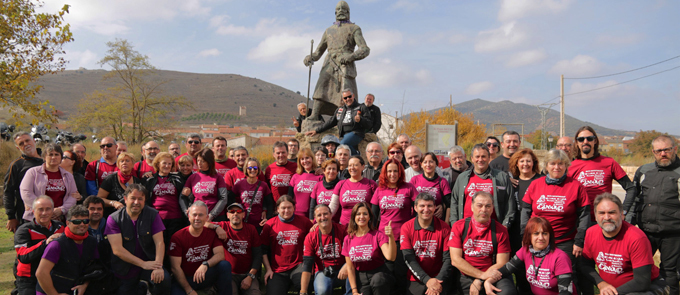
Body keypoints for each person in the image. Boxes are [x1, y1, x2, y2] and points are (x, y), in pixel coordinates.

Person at [520, 149, 591, 295]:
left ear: (566, 166)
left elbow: (584, 216)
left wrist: (579, 241)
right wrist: (525, 236)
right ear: (546, 166)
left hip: (564, 241)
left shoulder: (576, 186)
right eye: (552, 163)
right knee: (540, 277)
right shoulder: (535, 184)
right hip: (538, 240)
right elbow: (525, 211)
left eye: (561, 164)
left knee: (567, 280)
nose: (556, 167)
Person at [580, 193, 669, 295]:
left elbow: (642, 282)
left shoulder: (637, 238)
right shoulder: (591, 233)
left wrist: (611, 293)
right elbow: (585, 265)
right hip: (615, 289)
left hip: (648, 287)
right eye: (601, 213)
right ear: (595, 216)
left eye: (612, 212)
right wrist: (601, 284)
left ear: (622, 215)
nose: (607, 217)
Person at [625, 135, 680, 295]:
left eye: (667, 150)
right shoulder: (643, 170)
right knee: (638, 269)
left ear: (674, 149)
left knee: (670, 274)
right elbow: (635, 200)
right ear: (653, 152)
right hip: (645, 232)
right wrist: (628, 225)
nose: (663, 154)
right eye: (659, 151)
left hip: (674, 234)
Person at [302, 0, 370, 121]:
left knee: (346, 92)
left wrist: (350, 57)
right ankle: (315, 114)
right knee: (321, 87)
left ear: (348, 13)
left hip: (345, 65)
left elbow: (364, 49)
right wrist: (310, 57)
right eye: (338, 9)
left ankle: (347, 118)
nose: (341, 11)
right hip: (329, 64)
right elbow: (318, 52)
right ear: (334, 13)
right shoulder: (328, 31)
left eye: (343, 9)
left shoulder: (354, 28)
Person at [106, 184, 170, 294]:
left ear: (145, 200)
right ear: (125, 199)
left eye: (140, 199)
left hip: (149, 263)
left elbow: (159, 242)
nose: (136, 202)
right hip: (125, 269)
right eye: (133, 198)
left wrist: (158, 266)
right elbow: (117, 250)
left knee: (164, 280)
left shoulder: (152, 214)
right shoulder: (113, 219)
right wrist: (142, 264)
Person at [483, 216, 574, 295]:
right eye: (536, 233)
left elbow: (565, 292)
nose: (541, 238)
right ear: (529, 236)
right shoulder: (525, 251)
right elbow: (506, 269)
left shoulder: (560, 257)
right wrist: (488, 281)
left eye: (545, 233)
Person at [449, 191, 515, 295]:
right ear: (471, 207)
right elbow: (455, 260)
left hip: (493, 275)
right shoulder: (459, 227)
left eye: (488, 206)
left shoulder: (501, 230)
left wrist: (481, 279)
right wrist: (480, 275)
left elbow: (502, 262)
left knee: (507, 292)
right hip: (466, 275)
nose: (483, 210)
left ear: (492, 208)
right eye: (479, 205)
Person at [568, 126, 635, 225]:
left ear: (595, 141)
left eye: (589, 138)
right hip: (580, 221)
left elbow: (631, 188)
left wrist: (623, 211)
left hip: (605, 220)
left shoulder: (609, 162)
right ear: (577, 143)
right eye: (581, 139)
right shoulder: (570, 167)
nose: (585, 141)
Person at [371, 158, 418, 293]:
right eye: (389, 171)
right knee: (388, 272)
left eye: (395, 171)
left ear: (400, 172)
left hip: (404, 238)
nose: (392, 174)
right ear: (385, 173)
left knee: (402, 272)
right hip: (384, 239)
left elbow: (418, 211)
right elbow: (374, 216)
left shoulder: (409, 188)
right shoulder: (380, 190)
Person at [169, 202, 231, 295]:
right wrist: (189, 290)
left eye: (201, 215)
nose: (197, 218)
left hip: (205, 275)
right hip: (186, 279)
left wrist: (205, 264)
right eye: (194, 215)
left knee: (224, 265)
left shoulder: (211, 233)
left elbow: (220, 255)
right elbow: (175, 268)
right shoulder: (178, 237)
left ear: (206, 218)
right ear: (189, 217)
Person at [35, 205, 99, 295]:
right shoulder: (56, 245)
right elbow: (41, 273)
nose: (82, 224)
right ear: (68, 223)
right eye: (76, 221)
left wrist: (85, 285)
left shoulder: (91, 242)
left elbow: (93, 268)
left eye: (85, 221)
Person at [450, 144, 515, 229]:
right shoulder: (462, 178)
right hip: (467, 229)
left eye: (483, 156)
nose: (480, 160)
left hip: (493, 230)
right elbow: (454, 203)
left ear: (489, 158)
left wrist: (505, 225)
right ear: (472, 159)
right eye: (477, 156)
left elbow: (510, 203)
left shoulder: (501, 177)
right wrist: (455, 225)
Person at [400, 193, 452, 295]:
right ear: (415, 208)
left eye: (429, 206)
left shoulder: (445, 228)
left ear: (435, 207)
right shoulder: (406, 227)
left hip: (439, 278)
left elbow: (448, 258)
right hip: (416, 278)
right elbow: (409, 258)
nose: (426, 209)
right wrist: (427, 280)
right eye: (422, 206)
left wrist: (437, 282)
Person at [261, 195, 314, 295]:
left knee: (306, 286)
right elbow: (263, 250)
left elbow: (314, 242)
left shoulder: (304, 222)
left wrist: (309, 265)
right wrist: (268, 269)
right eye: (283, 208)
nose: (286, 211)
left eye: (289, 207)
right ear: (277, 209)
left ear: (294, 208)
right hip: (277, 269)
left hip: (298, 265)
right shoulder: (269, 225)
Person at [13, 196, 65, 295]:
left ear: (53, 210)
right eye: (40, 209)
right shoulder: (23, 230)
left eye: (48, 209)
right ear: (33, 211)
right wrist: (46, 243)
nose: (44, 213)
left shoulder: (60, 226)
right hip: (29, 279)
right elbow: (24, 256)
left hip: (54, 275)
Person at [507, 148, 543, 293]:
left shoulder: (541, 180)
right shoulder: (512, 181)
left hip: (535, 231)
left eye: (528, 160)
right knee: (520, 268)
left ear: (534, 163)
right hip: (515, 231)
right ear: (516, 163)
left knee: (537, 267)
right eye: (522, 161)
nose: (525, 164)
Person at [343, 202, 396, 295]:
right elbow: (350, 268)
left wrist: (391, 237)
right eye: (358, 214)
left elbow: (390, 257)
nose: (361, 217)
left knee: (378, 280)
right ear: (354, 217)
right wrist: (354, 291)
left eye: (365, 214)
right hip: (361, 279)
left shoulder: (378, 235)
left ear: (369, 217)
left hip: (379, 276)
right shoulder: (348, 239)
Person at [209, 203, 262, 295]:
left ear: (243, 214)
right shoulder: (223, 226)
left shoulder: (251, 229)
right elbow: (204, 223)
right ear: (228, 215)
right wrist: (216, 227)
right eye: (232, 212)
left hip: (247, 273)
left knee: (255, 293)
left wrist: (250, 276)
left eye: (239, 211)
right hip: (229, 274)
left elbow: (258, 255)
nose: (235, 214)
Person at [20, 143, 79, 222]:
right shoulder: (33, 172)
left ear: (61, 157)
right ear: (44, 157)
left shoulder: (68, 176)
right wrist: (45, 210)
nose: (53, 157)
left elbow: (73, 196)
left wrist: (61, 210)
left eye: (56, 154)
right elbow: (26, 193)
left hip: (60, 218)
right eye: (50, 154)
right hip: (36, 218)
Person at [306, 89, 373, 156]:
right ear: (343, 99)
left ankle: (356, 156)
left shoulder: (361, 107)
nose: (348, 99)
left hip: (356, 133)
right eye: (345, 98)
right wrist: (317, 130)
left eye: (349, 96)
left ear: (353, 96)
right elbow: (331, 122)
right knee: (336, 149)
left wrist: (360, 120)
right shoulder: (340, 110)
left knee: (342, 144)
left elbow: (369, 124)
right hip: (343, 134)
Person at [300, 204, 349, 295]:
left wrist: (347, 266)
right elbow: (307, 266)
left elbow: (353, 253)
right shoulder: (311, 237)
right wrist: (303, 291)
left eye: (325, 214)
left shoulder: (343, 231)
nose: (323, 217)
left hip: (344, 269)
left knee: (357, 279)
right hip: (323, 271)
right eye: (319, 215)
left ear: (331, 215)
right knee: (322, 291)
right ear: (315, 218)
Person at [145, 152, 187, 247]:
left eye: (169, 163)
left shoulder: (178, 178)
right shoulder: (150, 180)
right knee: (158, 246)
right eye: (164, 163)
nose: (167, 166)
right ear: (158, 164)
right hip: (156, 218)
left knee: (173, 246)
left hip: (175, 218)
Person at [180, 148, 229, 222]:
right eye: (198, 160)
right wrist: (186, 211)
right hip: (197, 217)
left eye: (203, 161)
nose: (199, 163)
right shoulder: (193, 177)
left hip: (215, 217)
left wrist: (211, 215)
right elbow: (182, 197)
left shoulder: (218, 177)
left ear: (209, 162)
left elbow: (223, 198)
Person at [329, 156, 378, 225]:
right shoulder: (341, 184)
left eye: (355, 165)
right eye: (350, 165)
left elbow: (376, 209)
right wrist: (325, 218)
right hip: (344, 226)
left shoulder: (371, 184)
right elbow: (333, 206)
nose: (352, 168)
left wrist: (373, 225)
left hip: (364, 227)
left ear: (362, 167)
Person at [231, 157, 273, 232]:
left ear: (258, 169)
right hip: (243, 222)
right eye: (250, 168)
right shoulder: (239, 184)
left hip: (259, 223)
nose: (252, 170)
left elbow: (270, 203)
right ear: (246, 169)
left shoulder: (263, 185)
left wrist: (268, 218)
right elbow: (230, 199)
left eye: (255, 167)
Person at [97, 152, 143, 217]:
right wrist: (113, 203)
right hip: (112, 215)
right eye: (122, 161)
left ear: (133, 164)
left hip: (131, 216)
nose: (124, 163)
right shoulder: (110, 179)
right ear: (118, 165)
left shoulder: (136, 181)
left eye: (127, 161)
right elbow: (99, 199)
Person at [410, 152, 451, 220]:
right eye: (425, 162)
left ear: (436, 164)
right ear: (421, 164)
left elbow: (449, 204)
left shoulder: (442, 181)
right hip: (418, 220)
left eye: (431, 162)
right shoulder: (414, 180)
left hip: (437, 221)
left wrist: (446, 221)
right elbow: (409, 201)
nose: (428, 165)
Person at [289, 148, 322, 218]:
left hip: (314, 216)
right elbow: (289, 196)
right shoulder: (295, 176)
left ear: (312, 158)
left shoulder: (320, 176)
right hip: (296, 215)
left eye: (307, 158)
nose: (305, 161)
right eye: (302, 159)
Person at [84, 195, 111, 268]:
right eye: (92, 209)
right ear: (86, 210)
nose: (96, 212)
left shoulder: (110, 227)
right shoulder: (79, 228)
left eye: (99, 209)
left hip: (107, 269)